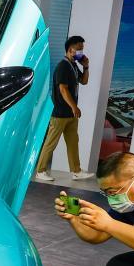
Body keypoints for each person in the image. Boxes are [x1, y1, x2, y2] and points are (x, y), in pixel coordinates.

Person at [36, 36, 94, 182]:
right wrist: (74, 107)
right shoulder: (63, 66)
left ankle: (76, 171)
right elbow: (63, 89)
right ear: (70, 49)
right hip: (60, 113)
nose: (81, 52)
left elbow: (84, 81)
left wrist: (86, 66)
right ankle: (40, 171)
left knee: (73, 142)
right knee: (51, 143)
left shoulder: (73, 65)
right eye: (79, 49)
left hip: (71, 114)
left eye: (82, 49)